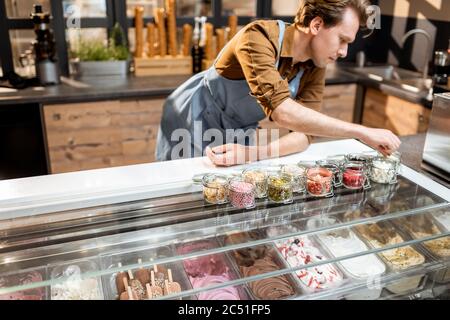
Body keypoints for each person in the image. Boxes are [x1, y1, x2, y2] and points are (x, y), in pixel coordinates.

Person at [156, 0, 401, 166]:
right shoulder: (258, 37)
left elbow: (304, 133)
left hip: (238, 128)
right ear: (316, 25)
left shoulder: (315, 65)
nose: (344, 52)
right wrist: (361, 131)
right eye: (342, 40)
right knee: (185, 197)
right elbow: (283, 112)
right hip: (193, 120)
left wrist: (254, 153)